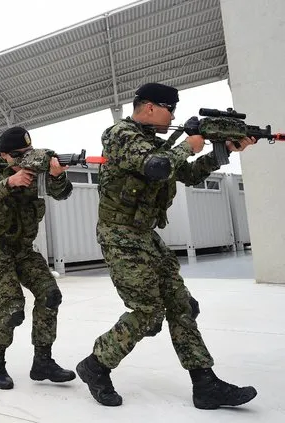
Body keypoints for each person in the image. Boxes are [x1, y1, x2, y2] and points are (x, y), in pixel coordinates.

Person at [75, 82, 257, 409]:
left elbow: (186, 174)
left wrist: (224, 151)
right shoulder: (119, 135)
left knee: (181, 305)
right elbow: (156, 166)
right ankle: (96, 365)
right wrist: (188, 145)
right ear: (149, 107)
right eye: (169, 109)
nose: (172, 115)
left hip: (145, 236)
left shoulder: (153, 142)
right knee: (148, 312)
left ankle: (205, 385)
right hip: (120, 236)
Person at [0, 126, 76, 390]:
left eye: (28, 151)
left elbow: (62, 193)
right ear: (4, 155)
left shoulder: (39, 162)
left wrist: (57, 175)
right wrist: (10, 182)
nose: (26, 158)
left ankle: (43, 362)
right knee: (13, 307)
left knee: (50, 295)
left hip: (23, 247)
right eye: (19, 154)